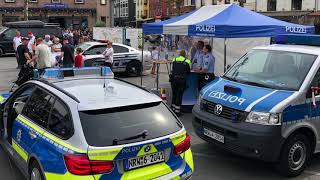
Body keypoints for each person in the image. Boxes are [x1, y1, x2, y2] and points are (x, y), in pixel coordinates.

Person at [170, 50, 191, 116]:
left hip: (174, 80)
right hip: (181, 80)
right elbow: (188, 72)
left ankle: (172, 109)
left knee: (174, 94)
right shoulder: (187, 61)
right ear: (185, 55)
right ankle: (177, 111)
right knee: (179, 95)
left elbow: (172, 69)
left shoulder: (174, 60)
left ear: (179, 54)